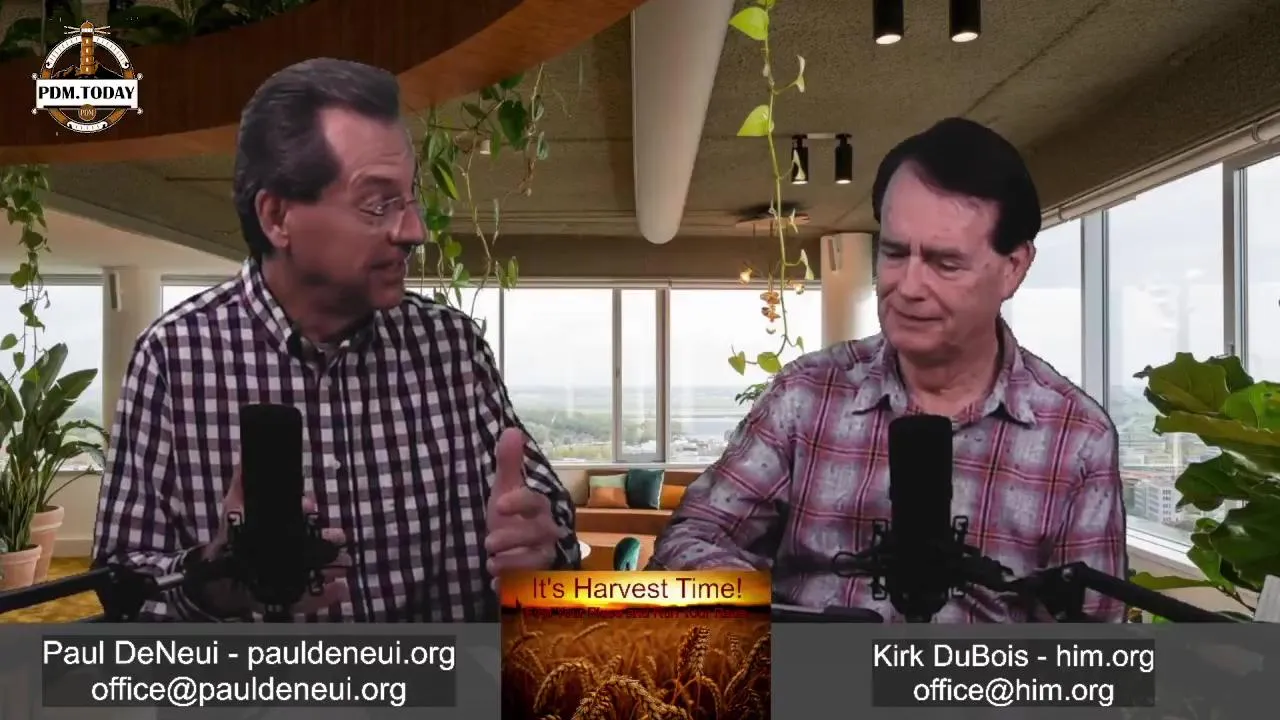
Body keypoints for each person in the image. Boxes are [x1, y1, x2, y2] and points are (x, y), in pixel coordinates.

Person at [92, 58, 580, 622]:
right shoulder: (173, 358)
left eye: (410, 197)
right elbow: (122, 583)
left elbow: (546, 517)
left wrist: (541, 544)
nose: (415, 230)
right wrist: (211, 583)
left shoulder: (452, 348)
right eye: (378, 203)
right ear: (278, 217)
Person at [649, 117, 1126, 623]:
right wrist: (769, 622)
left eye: (945, 263)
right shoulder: (805, 394)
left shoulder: (1079, 437)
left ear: (1014, 268)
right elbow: (690, 538)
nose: (908, 287)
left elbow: (1097, 644)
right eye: (894, 253)